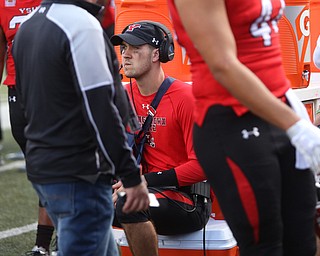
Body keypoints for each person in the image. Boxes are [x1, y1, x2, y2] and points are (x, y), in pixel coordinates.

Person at [167, 1, 320, 256]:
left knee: (304, 240)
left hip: (278, 109)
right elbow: (221, 64)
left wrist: (289, 108)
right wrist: (296, 126)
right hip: (233, 118)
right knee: (265, 247)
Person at [11, 0, 150, 255]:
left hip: (48, 168)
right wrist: (130, 175)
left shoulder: (29, 25)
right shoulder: (80, 24)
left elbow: (26, 106)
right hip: (79, 174)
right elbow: (101, 109)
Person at [110, 21, 212, 256]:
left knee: (129, 202)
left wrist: (144, 181)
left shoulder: (185, 98)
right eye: (123, 47)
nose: (126, 54)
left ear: (157, 53)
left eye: (135, 48)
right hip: (137, 186)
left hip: (185, 200)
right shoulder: (122, 96)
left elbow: (203, 166)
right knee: (80, 196)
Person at [0, 2, 58, 255]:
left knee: (56, 165)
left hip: (53, 86)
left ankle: (47, 242)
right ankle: (46, 243)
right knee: (39, 170)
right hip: (17, 89)